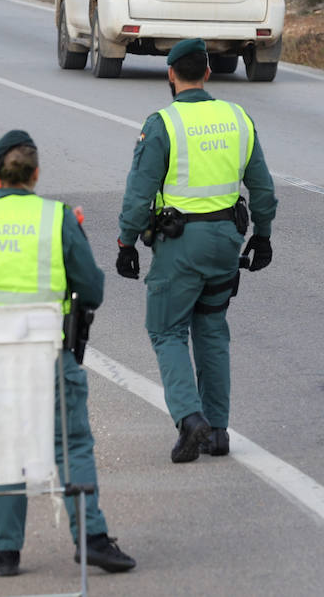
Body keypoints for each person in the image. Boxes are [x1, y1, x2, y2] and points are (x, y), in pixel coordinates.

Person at [0, 130, 136, 578]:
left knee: (5, 447)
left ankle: (6, 553)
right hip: (48, 353)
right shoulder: (58, 218)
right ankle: (92, 539)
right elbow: (93, 288)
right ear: (36, 174)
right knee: (72, 444)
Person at [114, 39, 277, 463]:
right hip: (226, 241)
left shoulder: (163, 124)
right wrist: (263, 234)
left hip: (180, 245)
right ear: (207, 72)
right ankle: (218, 431)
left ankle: (189, 419)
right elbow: (261, 186)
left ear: (172, 75)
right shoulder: (237, 117)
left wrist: (126, 241)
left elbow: (139, 192)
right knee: (211, 329)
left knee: (167, 330)